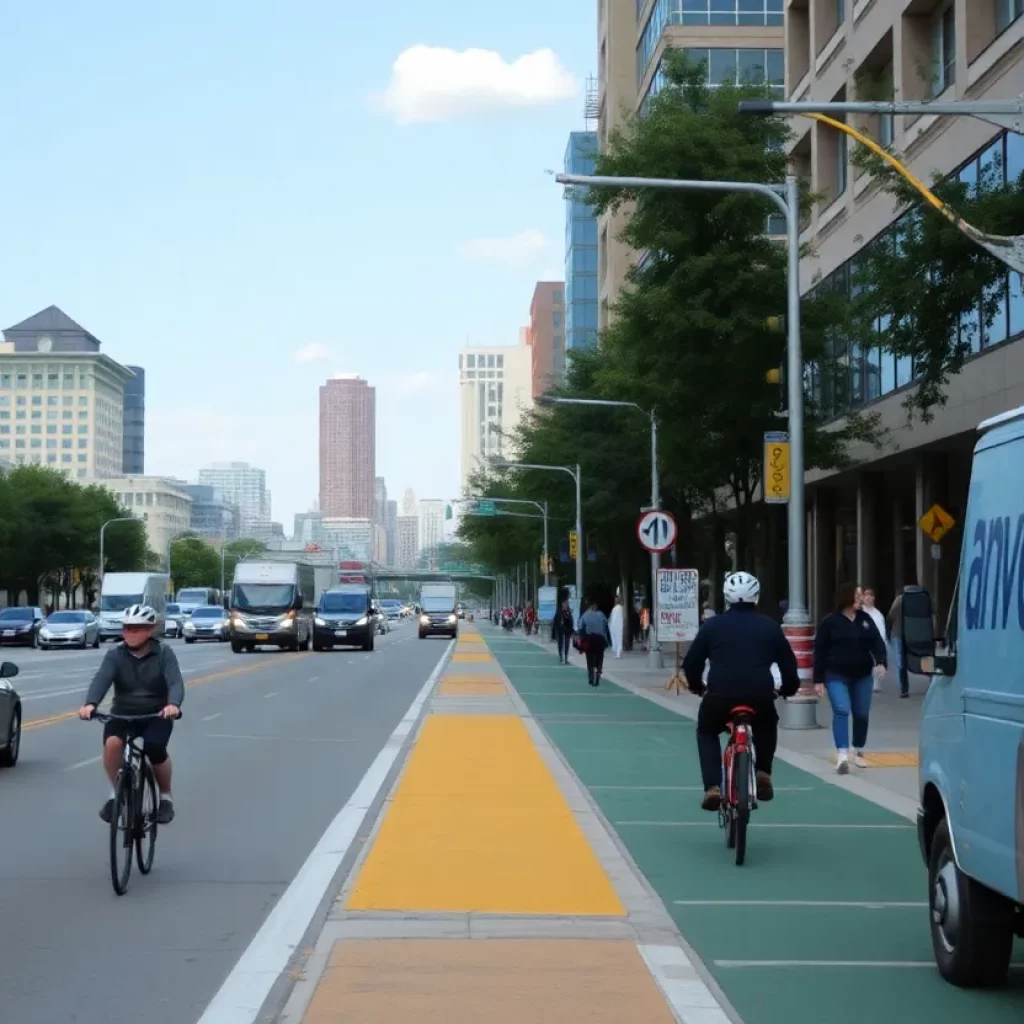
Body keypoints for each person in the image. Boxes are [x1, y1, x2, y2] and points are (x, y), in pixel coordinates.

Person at [682, 571, 800, 811]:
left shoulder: (712, 626)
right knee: (767, 725)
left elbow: (691, 663)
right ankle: (764, 772)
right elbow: (789, 666)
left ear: (726, 597)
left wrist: (697, 686)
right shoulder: (770, 627)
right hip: (760, 694)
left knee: (706, 731)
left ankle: (713, 787)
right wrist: (788, 689)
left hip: (720, 695)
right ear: (756, 597)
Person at [78, 604, 183, 825]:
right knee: (113, 744)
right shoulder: (115, 654)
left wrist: (173, 704)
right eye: (127, 628)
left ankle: (165, 797)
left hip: (156, 714)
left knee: (155, 748)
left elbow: (175, 682)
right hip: (123, 714)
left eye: (137, 628)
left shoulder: (164, 653)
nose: (130, 633)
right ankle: (116, 793)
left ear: (149, 630)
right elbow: (102, 679)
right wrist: (90, 703)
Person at [814, 583, 887, 774]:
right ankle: (843, 755)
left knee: (861, 713)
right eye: (858, 595)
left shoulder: (865, 620)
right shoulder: (830, 622)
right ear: (847, 597)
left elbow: (877, 642)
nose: (861, 599)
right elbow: (819, 651)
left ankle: (858, 749)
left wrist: (881, 661)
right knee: (841, 709)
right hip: (836, 675)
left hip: (862, 675)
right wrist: (818, 680)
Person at [860, 587, 888, 693]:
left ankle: (874, 683)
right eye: (866, 596)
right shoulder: (859, 612)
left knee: (875, 664)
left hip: (874, 643)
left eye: (871, 596)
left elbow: (882, 631)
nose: (868, 598)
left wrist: (882, 644)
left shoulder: (878, 615)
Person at [578, 599, 612, 686]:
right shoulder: (601, 615)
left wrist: (581, 640)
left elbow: (580, 627)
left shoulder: (585, 615)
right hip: (600, 639)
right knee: (599, 658)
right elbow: (606, 625)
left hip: (589, 639)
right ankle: (598, 674)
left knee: (589, 659)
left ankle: (591, 677)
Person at [886, 585, 912, 698]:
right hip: (917, 635)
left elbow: (890, 616)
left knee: (900, 661)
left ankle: (904, 688)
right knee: (923, 658)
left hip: (899, 634)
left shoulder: (899, 599)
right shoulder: (922, 599)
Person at [552, 598, 575, 664]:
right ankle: (561, 657)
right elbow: (556, 622)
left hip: (567, 631)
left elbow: (570, 620)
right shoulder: (559, 611)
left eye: (567, 603)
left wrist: (571, 629)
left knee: (567, 644)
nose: (566, 604)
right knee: (561, 644)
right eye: (565, 603)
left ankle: (565, 657)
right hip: (561, 631)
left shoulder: (568, 611)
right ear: (562, 604)